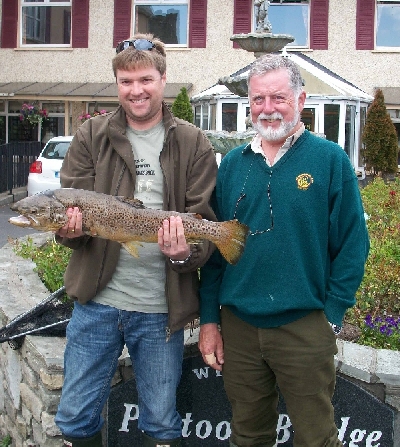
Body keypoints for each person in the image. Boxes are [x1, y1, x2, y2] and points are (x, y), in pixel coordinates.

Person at [54, 33, 217, 447]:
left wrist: (185, 253)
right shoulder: (91, 136)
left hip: (161, 310)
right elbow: (68, 215)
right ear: (117, 84)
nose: (136, 90)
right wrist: (66, 230)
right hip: (96, 304)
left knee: (161, 423)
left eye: (145, 79)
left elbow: (205, 221)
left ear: (163, 79)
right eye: (126, 82)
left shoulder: (192, 141)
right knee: (74, 417)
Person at [198, 54, 369, 447]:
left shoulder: (329, 160)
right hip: (239, 327)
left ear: (301, 99)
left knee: (316, 438)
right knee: (248, 436)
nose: (267, 109)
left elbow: (353, 245)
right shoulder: (233, 166)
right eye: (258, 100)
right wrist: (210, 318)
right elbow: (216, 250)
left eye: (278, 98)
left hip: (305, 327)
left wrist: (332, 313)